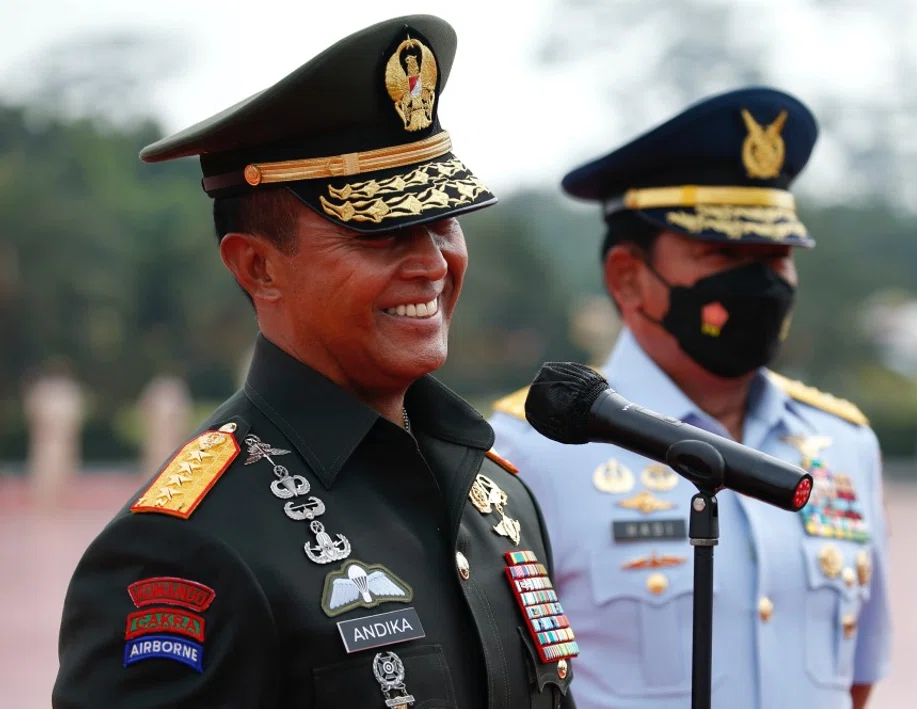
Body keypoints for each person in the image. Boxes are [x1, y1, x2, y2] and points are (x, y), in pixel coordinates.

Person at [53, 15, 578, 709]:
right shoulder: (187, 547)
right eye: (383, 232)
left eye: (443, 220)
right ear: (259, 266)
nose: (431, 263)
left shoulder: (499, 500)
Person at [489, 87, 891, 709]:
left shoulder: (845, 444)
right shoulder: (525, 449)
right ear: (628, 276)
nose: (759, 283)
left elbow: (856, 679)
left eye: (776, 257)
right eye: (723, 253)